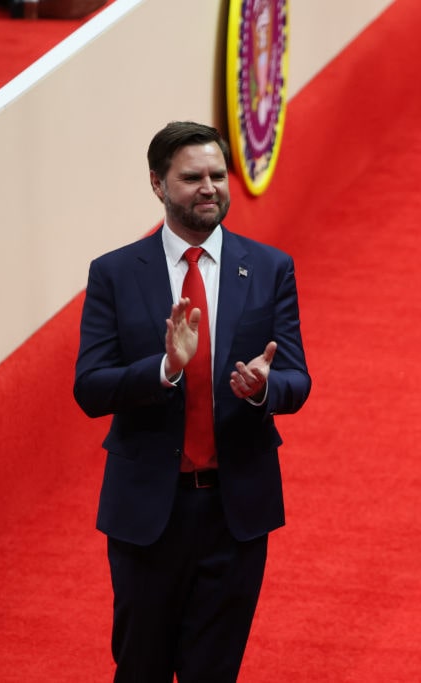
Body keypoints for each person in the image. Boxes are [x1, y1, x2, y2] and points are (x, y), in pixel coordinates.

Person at [74, 121, 311, 682]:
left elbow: (297, 379)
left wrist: (263, 390)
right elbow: (89, 387)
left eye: (217, 174)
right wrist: (164, 369)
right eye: (192, 177)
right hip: (148, 514)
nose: (209, 187)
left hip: (237, 513)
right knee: (142, 667)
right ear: (158, 184)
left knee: (215, 671)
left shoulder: (270, 268)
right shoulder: (114, 274)